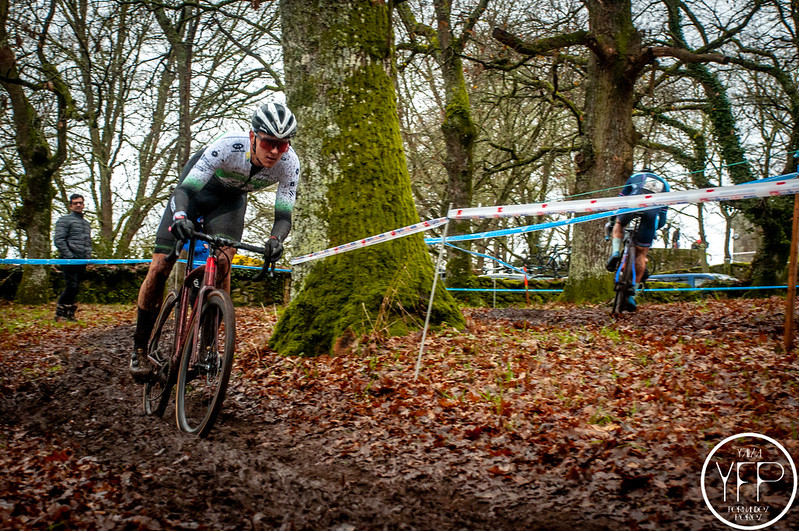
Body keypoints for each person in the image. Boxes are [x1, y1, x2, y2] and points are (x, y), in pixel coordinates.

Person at [129, 102, 299, 379]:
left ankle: (208, 347)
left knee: (222, 262)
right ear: (253, 136)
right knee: (160, 267)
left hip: (229, 202)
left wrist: (275, 240)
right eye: (269, 142)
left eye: (282, 145)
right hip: (194, 193)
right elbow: (183, 190)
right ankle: (139, 347)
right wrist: (181, 216)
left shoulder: (289, 164)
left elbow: (283, 216)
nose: (275, 152)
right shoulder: (228, 145)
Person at [605, 169, 670, 311]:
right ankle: (631, 295)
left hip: (632, 204)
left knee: (619, 224)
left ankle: (615, 252)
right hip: (652, 212)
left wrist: (612, 220)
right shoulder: (665, 184)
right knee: (642, 253)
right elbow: (663, 218)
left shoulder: (635, 176)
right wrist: (653, 230)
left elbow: (620, 200)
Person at [53, 194, 93, 322]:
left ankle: (69, 314)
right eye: (75, 203)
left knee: (76, 288)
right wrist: (69, 256)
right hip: (68, 259)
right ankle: (60, 314)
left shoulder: (86, 224)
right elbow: (59, 240)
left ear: (83, 205)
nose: (78, 205)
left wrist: (87, 257)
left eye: (80, 203)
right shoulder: (64, 220)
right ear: (70, 206)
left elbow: (87, 242)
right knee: (71, 286)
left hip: (82, 261)